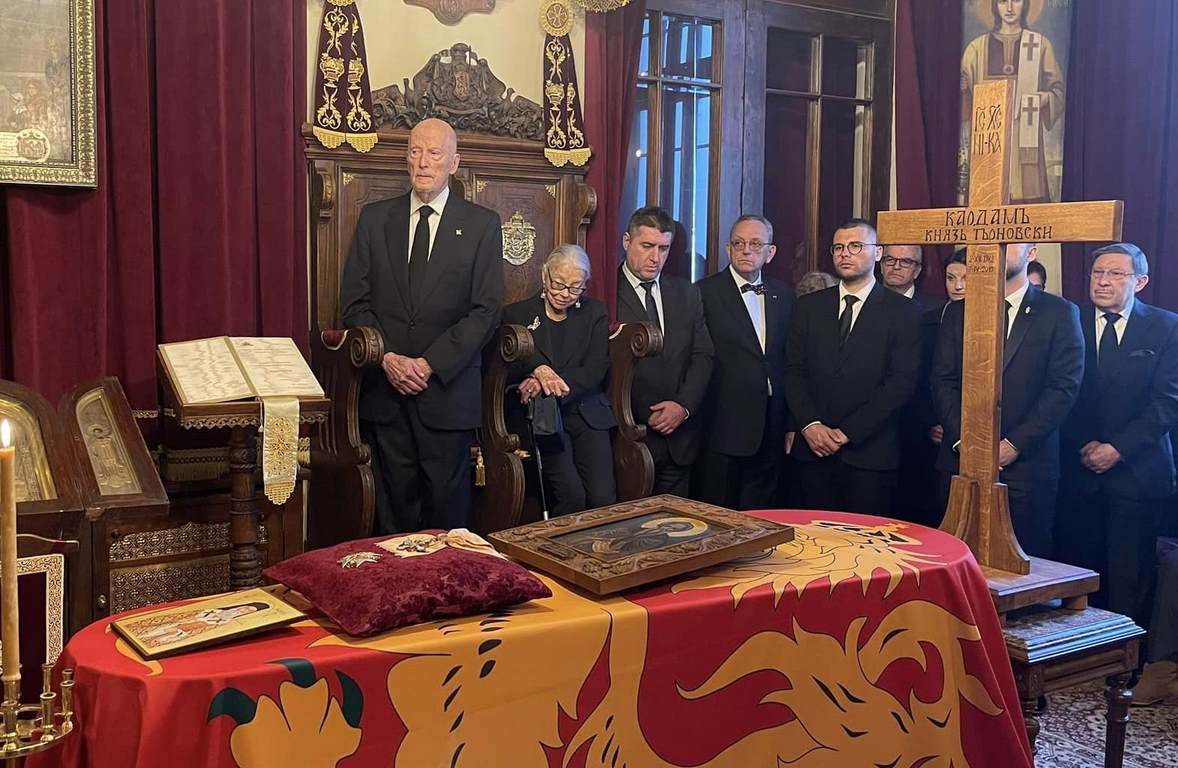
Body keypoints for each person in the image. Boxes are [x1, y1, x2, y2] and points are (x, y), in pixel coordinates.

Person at [340, 117, 504, 533]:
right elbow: (354, 305)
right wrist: (388, 359)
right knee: (393, 518)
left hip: (446, 394)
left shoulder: (482, 225)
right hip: (386, 394)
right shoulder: (375, 219)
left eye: (434, 153)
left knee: (447, 519)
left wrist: (430, 364)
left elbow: (486, 311)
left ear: (454, 163)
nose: (423, 162)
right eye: (415, 151)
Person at [932, 243, 1083, 557]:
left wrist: (1014, 444)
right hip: (961, 461)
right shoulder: (958, 311)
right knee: (955, 560)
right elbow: (942, 380)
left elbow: (1063, 387)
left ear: (1032, 253)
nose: (997, 247)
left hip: (1026, 465)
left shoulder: (1059, 312)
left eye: (1010, 241)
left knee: (1025, 564)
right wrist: (966, 442)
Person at [1057, 243, 1178, 626]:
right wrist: (1084, 443)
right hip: (1075, 469)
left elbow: (1167, 402)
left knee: (1129, 581)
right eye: (1098, 273)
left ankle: (1128, 657)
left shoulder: (1167, 326)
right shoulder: (1068, 318)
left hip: (1136, 473)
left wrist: (1117, 448)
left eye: (1116, 274)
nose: (1103, 281)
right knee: (1076, 576)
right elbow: (1058, 390)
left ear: (1140, 281)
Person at [784, 219, 921, 518]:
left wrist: (846, 433)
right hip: (812, 451)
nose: (845, 253)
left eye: (855, 246)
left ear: (878, 253)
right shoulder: (809, 307)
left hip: (870, 454)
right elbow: (793, 372)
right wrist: (810, 425)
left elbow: (901, 384)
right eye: (838, 248)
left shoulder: (903, 311)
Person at [502, 245, 616, 515]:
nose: (565, 293)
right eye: (559, 284)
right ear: (545, 276)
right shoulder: (516, 315)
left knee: (602, 498)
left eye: (575, 287)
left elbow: (595, 369)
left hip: (587, 413)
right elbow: (509, 367)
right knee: (571, 495)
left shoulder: (595, 313)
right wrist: (535, 369)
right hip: (543, 418)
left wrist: (546, 380)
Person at [695, 215, 793, 510]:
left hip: (771, 424)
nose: (746, 250)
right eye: (738, 243)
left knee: (763, 515)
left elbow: (791, 362)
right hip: (722, 425)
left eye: (755, 244)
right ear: (728, 249)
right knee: (719, 513)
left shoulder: (784, 294)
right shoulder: (704, 292)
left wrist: (791, 422)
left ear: (770, 252)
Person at [615, 206, 714, 497]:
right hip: (627, 438)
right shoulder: (605, 291)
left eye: (663, 248)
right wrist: (644, 413)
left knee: (674, 523)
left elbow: (703, 356)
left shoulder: (686, 293)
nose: (655, 257)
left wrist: (682, 407)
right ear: (627, 241)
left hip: (679, 439)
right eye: (647, 246)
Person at [960, 0, 1066, 204]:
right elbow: (964, 105)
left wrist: (1045, 98)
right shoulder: (976, 49)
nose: (1009, 8)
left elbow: (1058, 90)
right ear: (994, 6)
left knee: (1030, 210)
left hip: (1025, 144)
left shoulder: (1039, 45)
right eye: (1002, 1)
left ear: (1025, 4)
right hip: (990, 142)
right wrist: (963, 91)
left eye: (1015, 0)